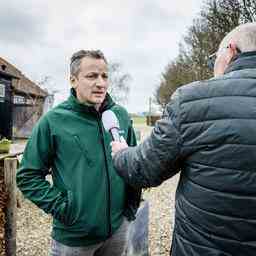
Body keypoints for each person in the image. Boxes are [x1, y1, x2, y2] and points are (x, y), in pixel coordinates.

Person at [111, 22, 256, 256]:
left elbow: (144, 170)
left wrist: (120, 153)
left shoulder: (191, 100)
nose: (212, 68)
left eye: (213, 59)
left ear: (231, 51)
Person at [16, 50, 141, 256]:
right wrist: (65, 209)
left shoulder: (120, 116)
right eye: (92, 76)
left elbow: (132, 164)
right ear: (73, 80)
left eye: (105, 76)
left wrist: (130, 208)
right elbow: (27, 176)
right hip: (74, 239)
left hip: (118, 230)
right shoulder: (53, 121)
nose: (101, 83)